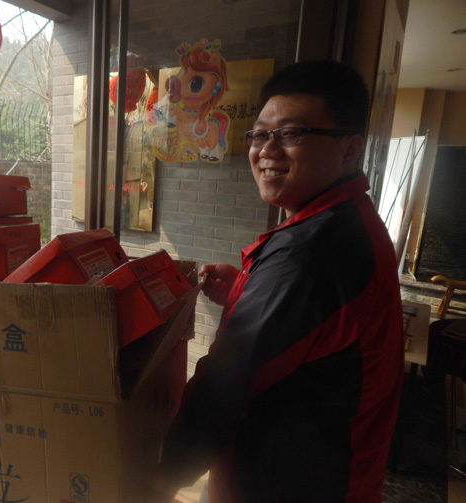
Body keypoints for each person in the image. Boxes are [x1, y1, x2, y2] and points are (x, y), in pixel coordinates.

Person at [151, 60, 405, 502]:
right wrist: (244, 289)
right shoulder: (349, 219)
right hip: (335, 474)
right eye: (260, 134)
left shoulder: (310, 250)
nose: (267, 150)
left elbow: (224, 387)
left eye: (291, 134)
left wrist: (158, 480)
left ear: (349, 149)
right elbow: (318, 329)